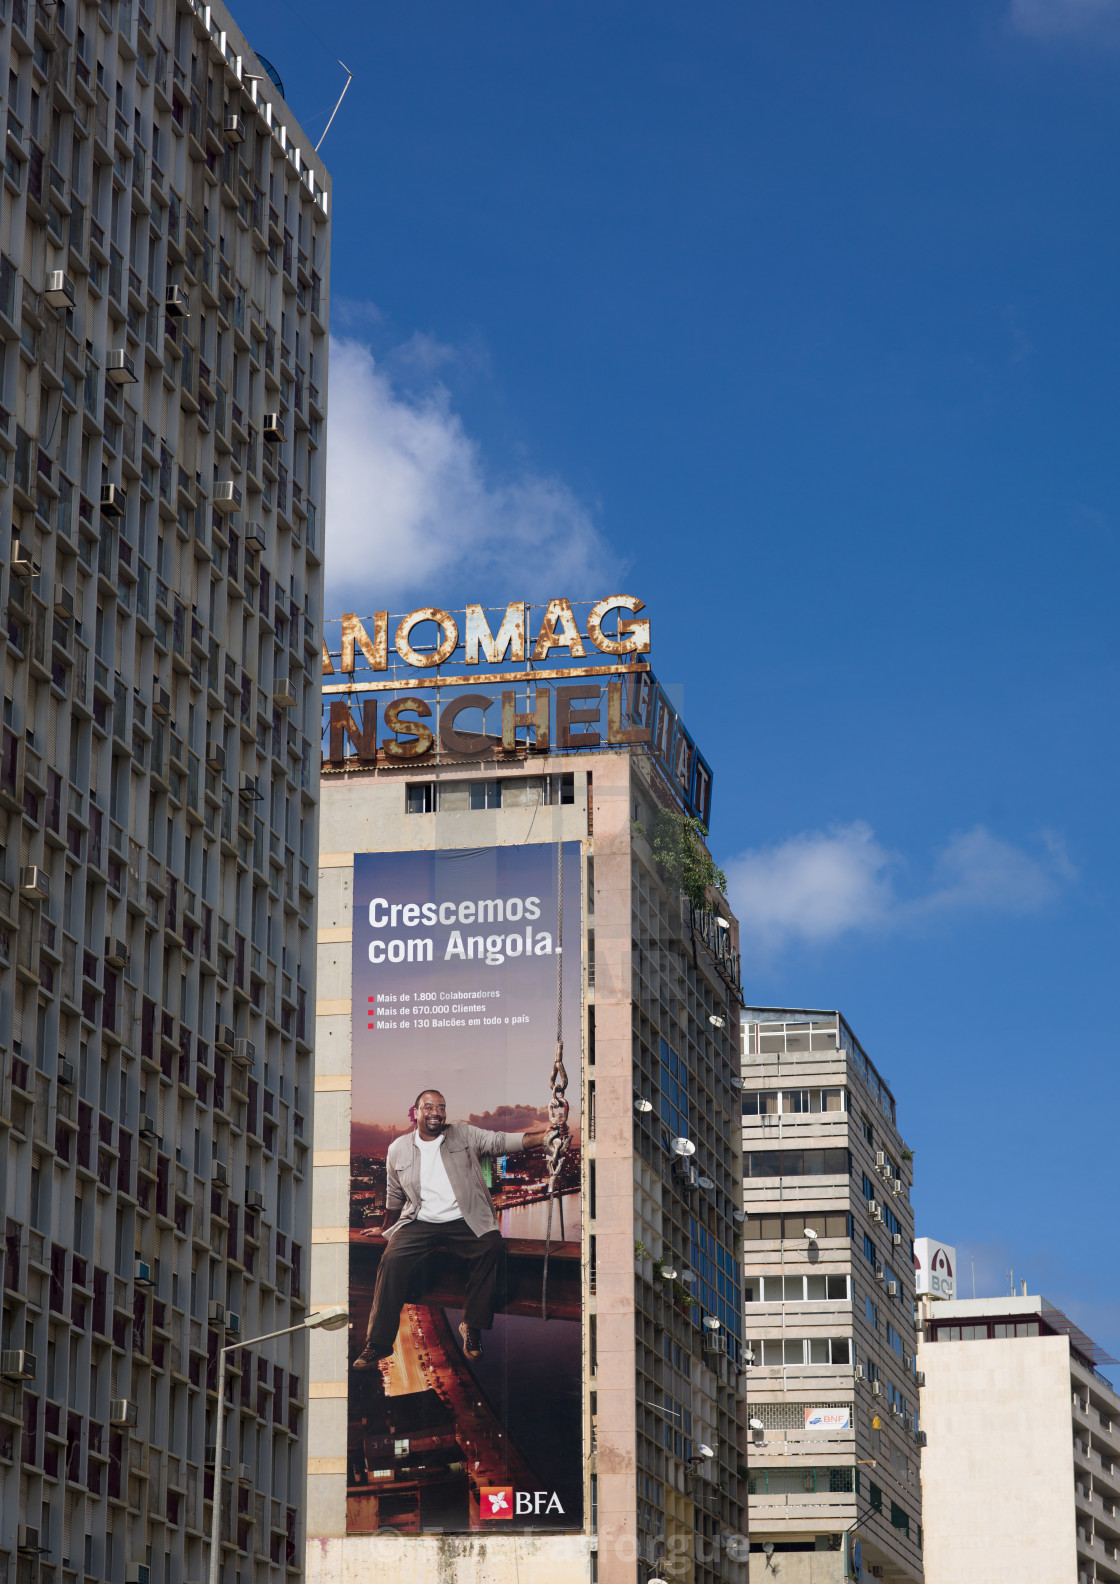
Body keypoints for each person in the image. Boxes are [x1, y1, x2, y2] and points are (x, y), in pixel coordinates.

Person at [353, 1089, 561, 1367]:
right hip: (419, 1221)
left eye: (441, 1107)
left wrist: (543, 1137)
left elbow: (500, 1141)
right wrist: (385, 1227)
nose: (436, 1112)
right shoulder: (397, 1149)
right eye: (429, 1107)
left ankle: (471, 1326)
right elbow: (394, 1196)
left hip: (465, 1219)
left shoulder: (463, 1134)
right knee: (391, 1259)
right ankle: (378, 1343)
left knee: (490, 1246)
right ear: (415, 1113)